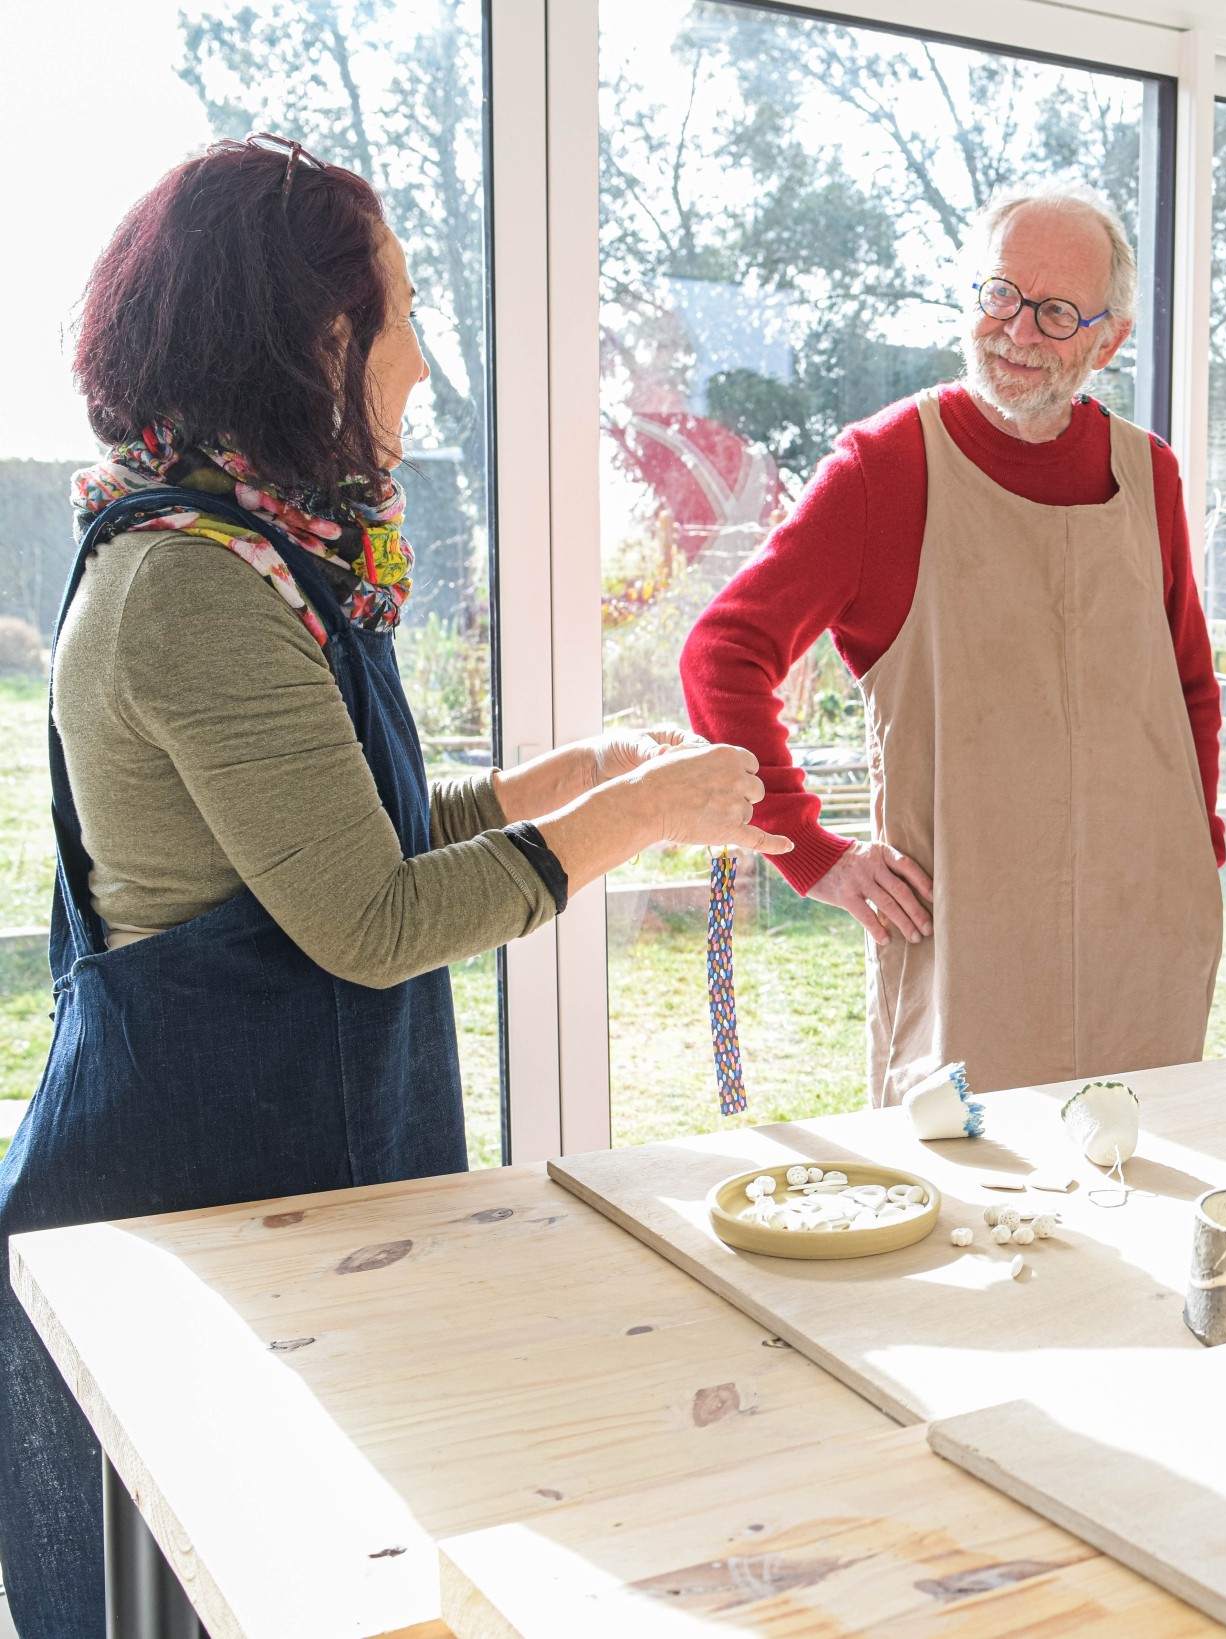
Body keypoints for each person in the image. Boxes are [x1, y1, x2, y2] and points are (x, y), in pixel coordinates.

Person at [0, 135, 783, 1639]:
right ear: (307, 335)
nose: (420, 357)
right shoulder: (192, 586)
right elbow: (364, 921)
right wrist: (634, 817)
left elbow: (321, 837)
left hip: (276, 1169)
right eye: (400, 308)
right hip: (187, 1198)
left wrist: (547, 783)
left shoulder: (257, 555)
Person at [681, 181, 1224, 1104]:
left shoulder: (1150, 473)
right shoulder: (884, 466)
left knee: (1143, 1191)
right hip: (968, 946)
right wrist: (809, 850)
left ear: (1109, 340)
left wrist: (1191, 853)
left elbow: (1188, 687)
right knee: (970, 1218)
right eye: (1001, 293)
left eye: (1055, 312)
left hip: (1146, 935)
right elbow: (723, 653)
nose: (1016, 331)